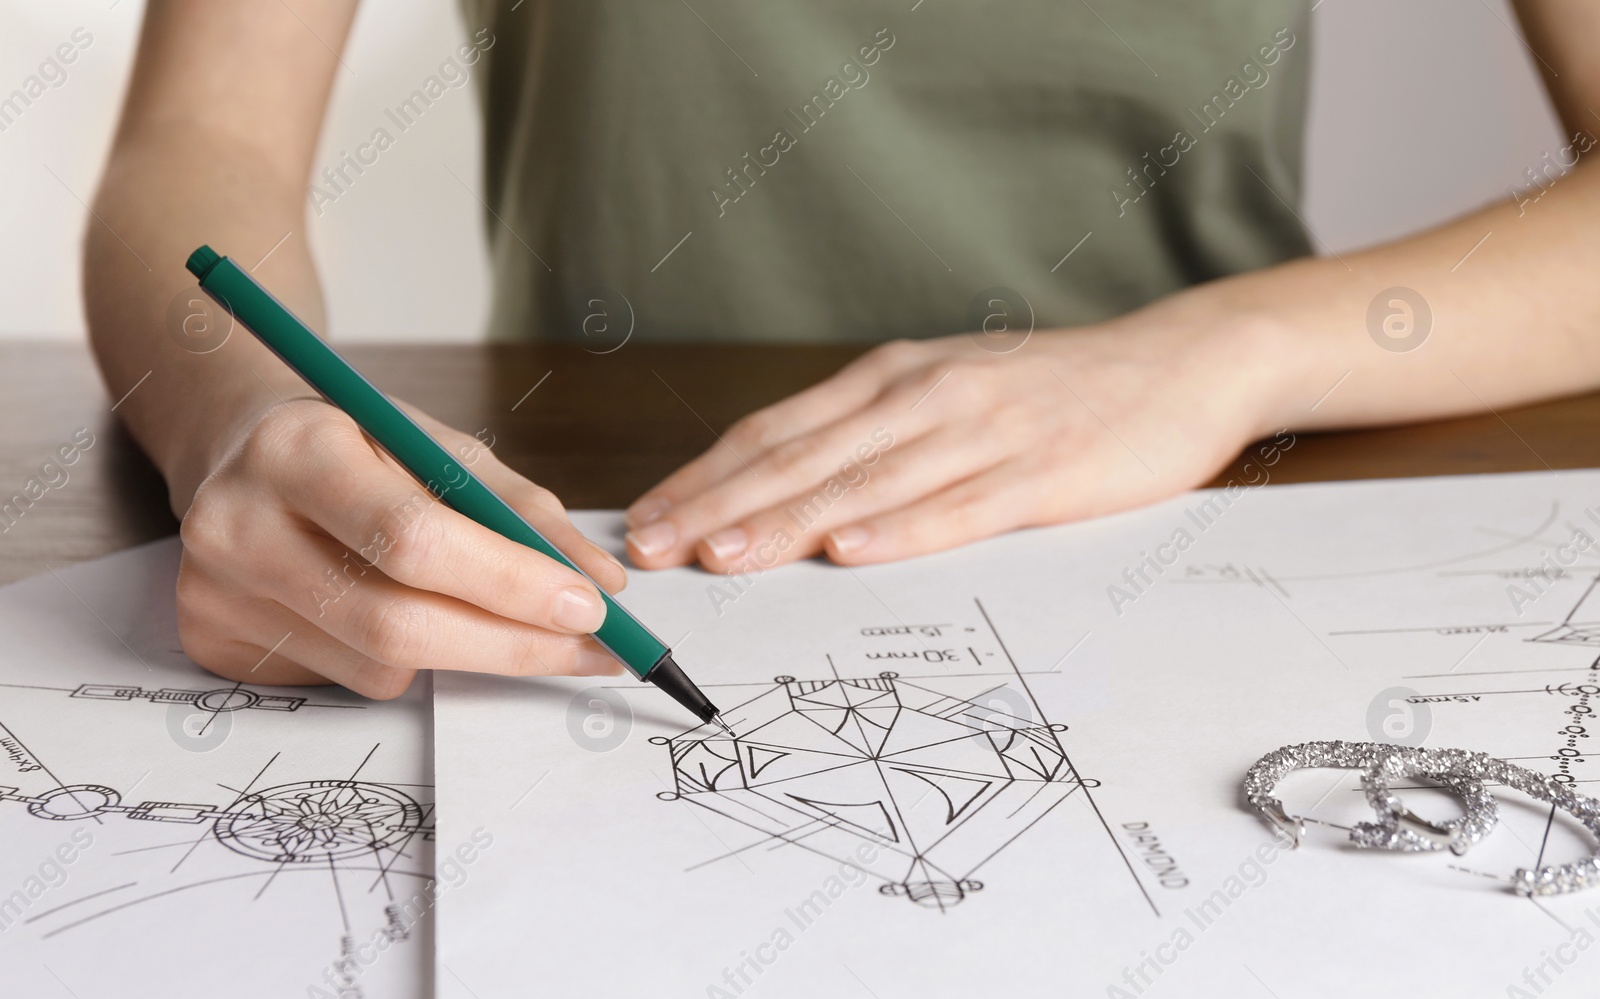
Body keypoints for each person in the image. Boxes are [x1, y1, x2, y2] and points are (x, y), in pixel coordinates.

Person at [85, 0, 1600, 699]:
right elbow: (198, 145)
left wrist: (1225, 356)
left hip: (1213, 510)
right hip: (613, 506)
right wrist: (244, 414)